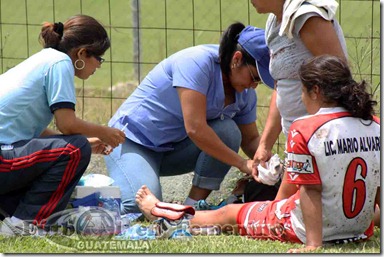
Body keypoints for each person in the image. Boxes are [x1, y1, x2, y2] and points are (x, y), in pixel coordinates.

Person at [136, 55, 380, 253]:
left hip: (309, 228)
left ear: (315, 91)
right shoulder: (375, 125)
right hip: (358, 227)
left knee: (226, 214)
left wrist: (313, 245)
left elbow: (310, 190)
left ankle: (160, 212)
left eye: (301, 91)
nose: (300, 98)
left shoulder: (305, 129)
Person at [105, 22, 275, 214]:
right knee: (138, 208)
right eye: (255, 77)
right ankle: (94, 187)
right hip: (132, 142)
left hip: (173, 150)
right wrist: (242, 163)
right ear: (237, 59)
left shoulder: (245, 93)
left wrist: (268, 164)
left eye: (260, 82)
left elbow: (251, 140)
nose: (254, 86)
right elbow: (195, 129)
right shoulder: (196, 62)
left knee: (228, 131)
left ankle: (191, 208)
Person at [0, 14, 126, 235]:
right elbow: (67, 125)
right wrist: (104, 132)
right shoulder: (60, 64)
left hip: (6, 153)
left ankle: (12, 212)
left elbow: (33, 130)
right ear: (82, 53)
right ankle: (23, 226)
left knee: (76, 145)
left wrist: (86, 140)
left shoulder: (44, 59)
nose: (99, 66)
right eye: (99, 58)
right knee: (74, 149)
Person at [249, 0, 348, 179]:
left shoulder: (306, 17)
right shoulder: (274, 21)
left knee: (298, 201)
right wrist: (265, 145)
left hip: (321, 142)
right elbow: (281, 84)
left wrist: (314, 137)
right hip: (299, 142)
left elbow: (339, 79)